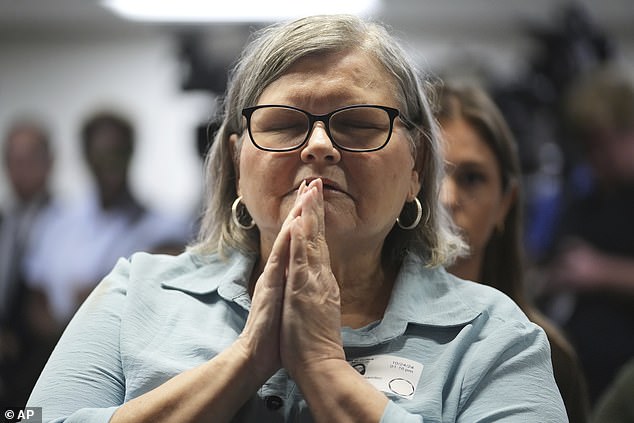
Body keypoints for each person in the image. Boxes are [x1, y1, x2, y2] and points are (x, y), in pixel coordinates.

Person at [27, 15, 567, 422]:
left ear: (416, 168)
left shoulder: (493, 334)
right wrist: (245, 360)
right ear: (238, 163)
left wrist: (326, 371)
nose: (318, 146)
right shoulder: (133, 295)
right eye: (284, 123)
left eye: (357, 123)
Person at [434, 81, 590, 422]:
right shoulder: (358, 330)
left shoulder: (544, 351)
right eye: (432, 174)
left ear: (505, 203)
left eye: (472, 178)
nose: (447, 198)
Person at [23, 111, 190, 333]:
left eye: (117, 153)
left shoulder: (164, 227)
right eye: (101, 154)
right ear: (86, 156)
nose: (110, 163)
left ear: (131, 152)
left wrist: (99, 297)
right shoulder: (56, 224)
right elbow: (37, 296)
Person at [537, 65, 634, 405]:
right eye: (589, 145)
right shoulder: (585, 199)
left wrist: (601, 272)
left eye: (604, 144)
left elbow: (591, 269)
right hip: (580, 375)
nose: (596, 158)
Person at [0, 119, 61, 407]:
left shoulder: (69, 222)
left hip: (45, 361)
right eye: (12, 159)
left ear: (49, 162)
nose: (20, 169)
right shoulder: (5, 220)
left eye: (29, 159)